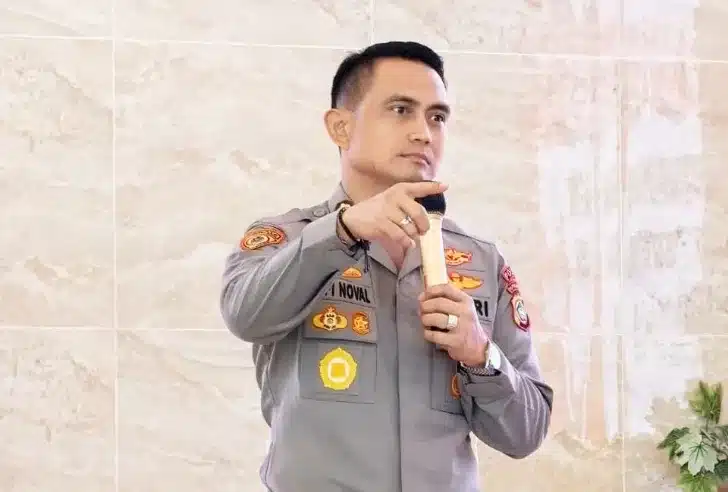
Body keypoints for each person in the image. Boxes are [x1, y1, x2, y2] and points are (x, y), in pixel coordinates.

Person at [220, 41, 554, 492]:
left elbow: (526, 434)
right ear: (340, 127)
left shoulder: (481, 261)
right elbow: (245, 315)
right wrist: (341, 231)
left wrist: (481, 355)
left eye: (437, 117)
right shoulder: (284, 240)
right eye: (401, 110)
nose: (424, 133)